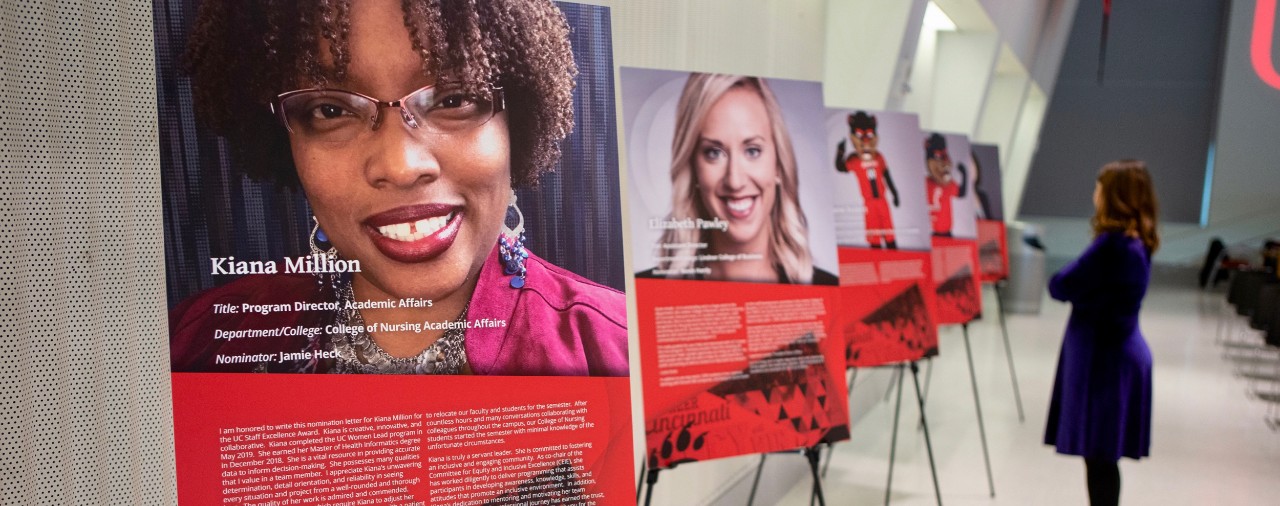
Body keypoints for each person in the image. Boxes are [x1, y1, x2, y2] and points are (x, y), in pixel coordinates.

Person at [169, 0, 628, 377]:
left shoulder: (618, 347)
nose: (401, 166)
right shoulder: (196, 345)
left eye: (453, 99)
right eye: (330, 110)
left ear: (517, 125)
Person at [644, 73, 836, 285]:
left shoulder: (827, 290)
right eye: (713, 153)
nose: (735, 181)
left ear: (779, 165)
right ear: (692, 168)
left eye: (752, 151)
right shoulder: (644, 292)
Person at [1044, 160, 1158, 506]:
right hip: (1116, 356)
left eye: (1099, 187)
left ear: (1115, 196)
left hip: (1105, 365)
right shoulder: (1136, 244)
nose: (1094, 193)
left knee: (1100, 458)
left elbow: (1061, 284)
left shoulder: (1113, 246)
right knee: (1102, 457)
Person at [834, 111, 899, 249]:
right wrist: (840, 152)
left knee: (889, 235)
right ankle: (875, 267)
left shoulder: (879, 157)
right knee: (874, 239)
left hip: (883, 201)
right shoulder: (855, 160)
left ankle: (895, 263)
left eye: (868, 135)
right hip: (869, 204)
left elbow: (887, 176)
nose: (864, 140)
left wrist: (895, 193)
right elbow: (840, 167)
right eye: (859, 135)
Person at [923, 133, 967, 237]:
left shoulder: (948, 184)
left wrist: (965, 175)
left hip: (947, 232)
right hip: (930, 232)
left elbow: (961, 193)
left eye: (944, 157)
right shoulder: (926, 183)